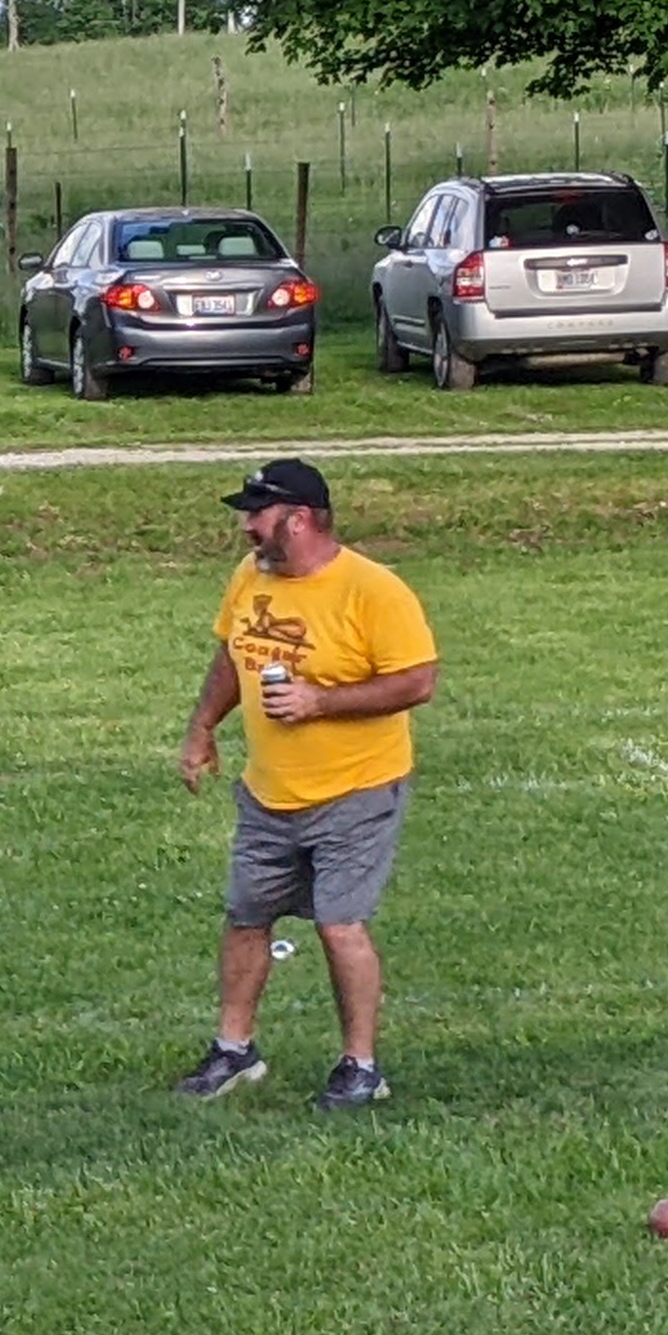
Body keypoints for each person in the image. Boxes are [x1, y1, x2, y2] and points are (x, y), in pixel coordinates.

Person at [174, 457, 439, 1109]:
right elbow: (232, 654)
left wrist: (320, 702)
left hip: (356, 792)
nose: (246, 527)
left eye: (257, 514)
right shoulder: (251, 576)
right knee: (247, 917)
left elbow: (417, 681)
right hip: (268, 793)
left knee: (339, 924)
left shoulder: (373, 591)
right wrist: (203, 726)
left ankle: (361, 1068)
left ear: (297, 520)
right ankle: (234, 1052)